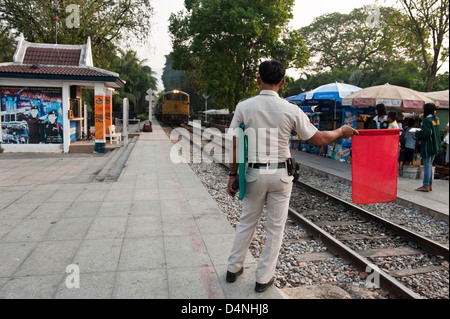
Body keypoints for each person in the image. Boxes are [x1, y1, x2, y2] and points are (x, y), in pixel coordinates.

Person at [225, 60, 359, 293]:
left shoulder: (243, 107)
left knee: (247, 221)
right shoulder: (291, 109)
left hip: (254, 173)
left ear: (258, 80)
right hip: (281, 174)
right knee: (275, 228)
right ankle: (263, 279)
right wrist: (341, 131)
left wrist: (232, 174)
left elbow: (235, 143)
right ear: (283, 83)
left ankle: (233, 269)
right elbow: (318, 139)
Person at [415, 103, 441, 192]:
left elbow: (427, 134)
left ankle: (426, 185)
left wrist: (417, 133)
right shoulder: (436, 119)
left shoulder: (427, 120)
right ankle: (429, 185)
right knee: (429, 165)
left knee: (427, 166)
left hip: (428, 146)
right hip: (436, 145)